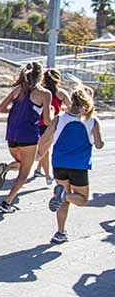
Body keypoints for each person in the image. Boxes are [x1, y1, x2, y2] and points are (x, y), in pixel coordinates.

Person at [37, 85, 103, 244]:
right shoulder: (92, 121)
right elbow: (99, 144)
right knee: (81, 199)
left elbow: (45, 138)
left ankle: (60, 232)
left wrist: (40, 154)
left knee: (63, 201)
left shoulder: (59, 118)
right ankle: (63, 196)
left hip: (59, 163)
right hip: (79, 165)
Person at [0, 62, 52, 213]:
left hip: (12, 134)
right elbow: (46, 121)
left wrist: (18, 110)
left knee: (24, 162)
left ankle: (6, 168)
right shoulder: (45, 94)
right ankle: (7, 202)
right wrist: (53, 114)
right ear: (41, 76)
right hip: (28, 134)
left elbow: (1, 108)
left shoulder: (18, 89)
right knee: (25, 171)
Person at [34, 68, 70, 185]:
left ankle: (39, 169)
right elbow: (71, 108)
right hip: (51, 124)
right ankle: (48, 176)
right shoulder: (61, 93)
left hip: (37, 123)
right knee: (45, 151)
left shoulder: (40, 91)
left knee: (44, 149)